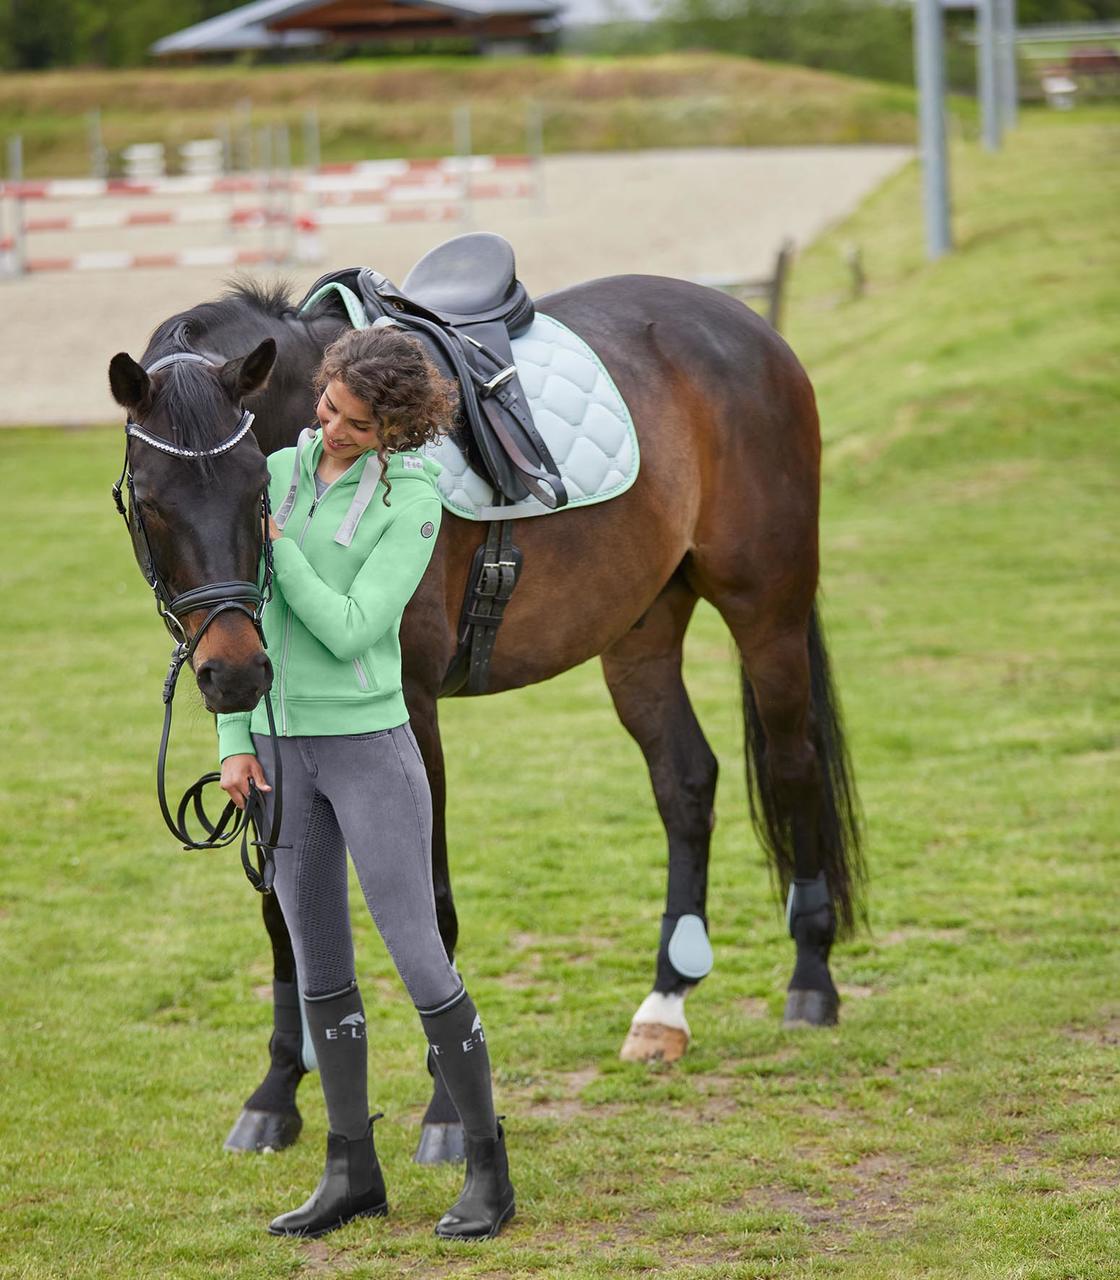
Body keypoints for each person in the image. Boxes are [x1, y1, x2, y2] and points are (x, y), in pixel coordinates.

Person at [217, 326, 514, 1241]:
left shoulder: (415, 501)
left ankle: (488, 1169)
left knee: (420, 957)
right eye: (325, 406)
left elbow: (354, 628)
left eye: (351, 422)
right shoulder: (276, 470)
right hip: (281, 749)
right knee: (318, 962)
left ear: (392, 428)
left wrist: (283, 552)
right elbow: (234, 608)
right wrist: (235, 737)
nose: (328, 427)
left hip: (369, 747)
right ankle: (351, 1170)